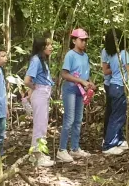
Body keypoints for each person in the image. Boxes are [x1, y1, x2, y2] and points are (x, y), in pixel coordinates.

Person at [57, 29, 94, 163]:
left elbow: (85, 73)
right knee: (69, 119)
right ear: (74, 41)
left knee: (78, 119)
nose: (84, 42)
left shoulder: (85, 56)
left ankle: (75, 148)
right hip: (71, 89)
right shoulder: (70, 55)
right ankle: (61, 150)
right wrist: (80, 81)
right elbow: (65, 74)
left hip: (81, 91)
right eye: (81, 40)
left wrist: (90, 83)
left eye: (85, 40)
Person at [102, 29, 129, 155]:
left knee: (115, 115)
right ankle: (108, 145)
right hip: (119, 87)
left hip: (112, 85)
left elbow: (113, 70)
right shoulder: (123, 53)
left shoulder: (112, 55)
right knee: (117, 117)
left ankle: (116, 140)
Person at [24, 35, 55, 167]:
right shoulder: (36, 60)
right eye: (48, 45)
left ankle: (35, 155)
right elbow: (27, 81)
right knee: (40, 126)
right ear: (42, 47)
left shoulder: (42, 60)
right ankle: (38, 156)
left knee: (41, 124)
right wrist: (34, 88)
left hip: (44, 93)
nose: (51, 47)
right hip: (40, 93)